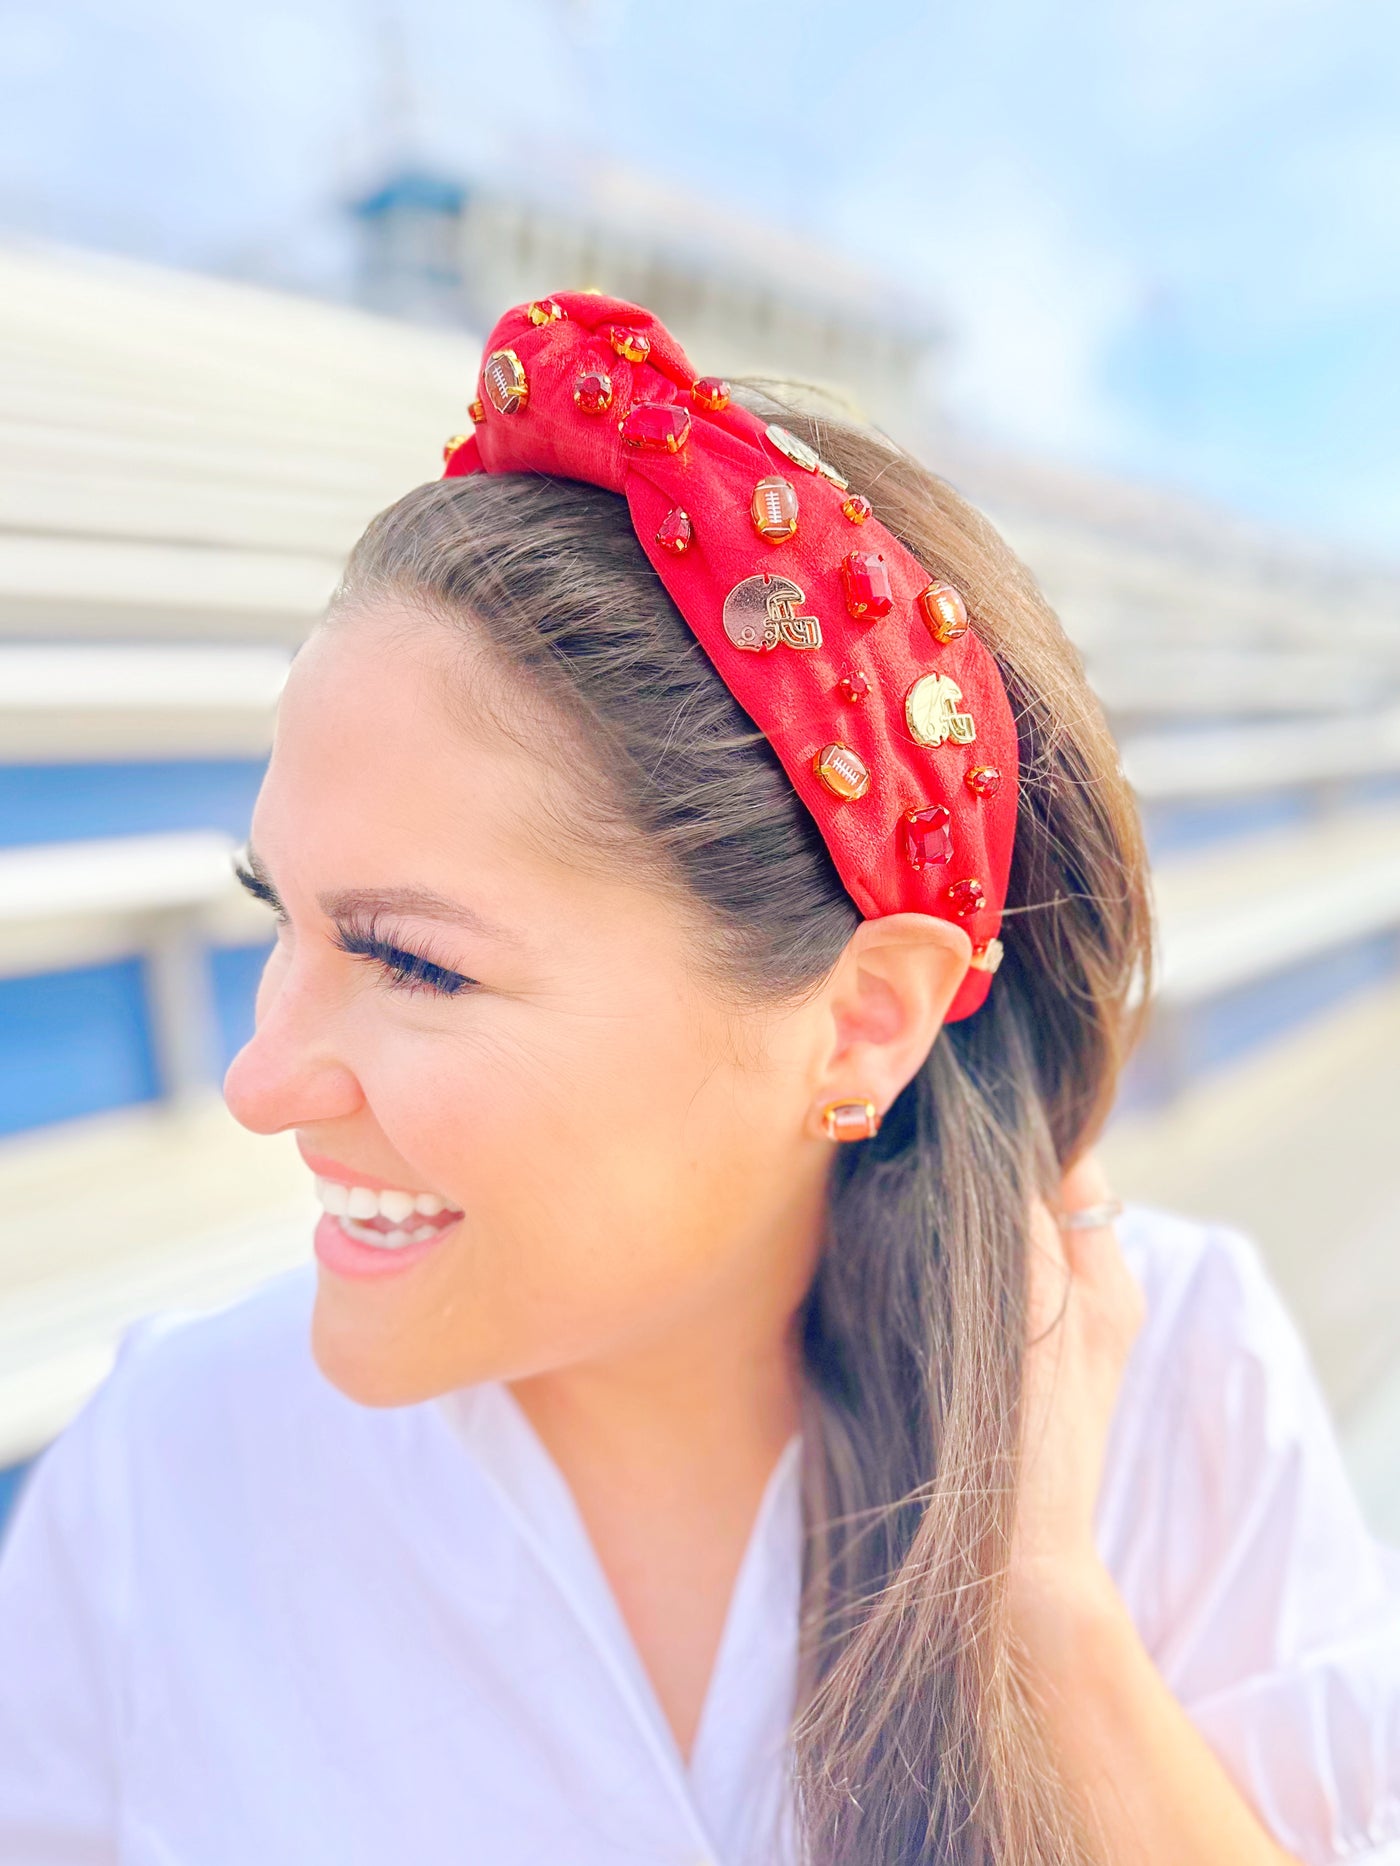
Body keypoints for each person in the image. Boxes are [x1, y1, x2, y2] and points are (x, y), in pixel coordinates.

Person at [0, 292, 1396, 1866]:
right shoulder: (166, 1469)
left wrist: (1051, 1619)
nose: (259, 1079)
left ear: (866, 1020)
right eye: (287, 921)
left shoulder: (1180, 1388)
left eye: (411, 961)